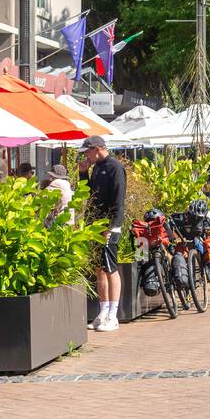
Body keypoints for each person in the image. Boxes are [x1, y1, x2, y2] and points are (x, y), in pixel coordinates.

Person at [83, 136, 126, 332]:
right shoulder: (96, 167)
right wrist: (84, 174)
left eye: (87, 152)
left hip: (109, 226)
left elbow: (119, 199)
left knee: (110, 267)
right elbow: (90, 194)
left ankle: (113, 315)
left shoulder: (114, 167)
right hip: (95, 224)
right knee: (99, 268)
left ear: (98, 149)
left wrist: (112, 226)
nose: (86, 155)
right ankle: (103, 311)